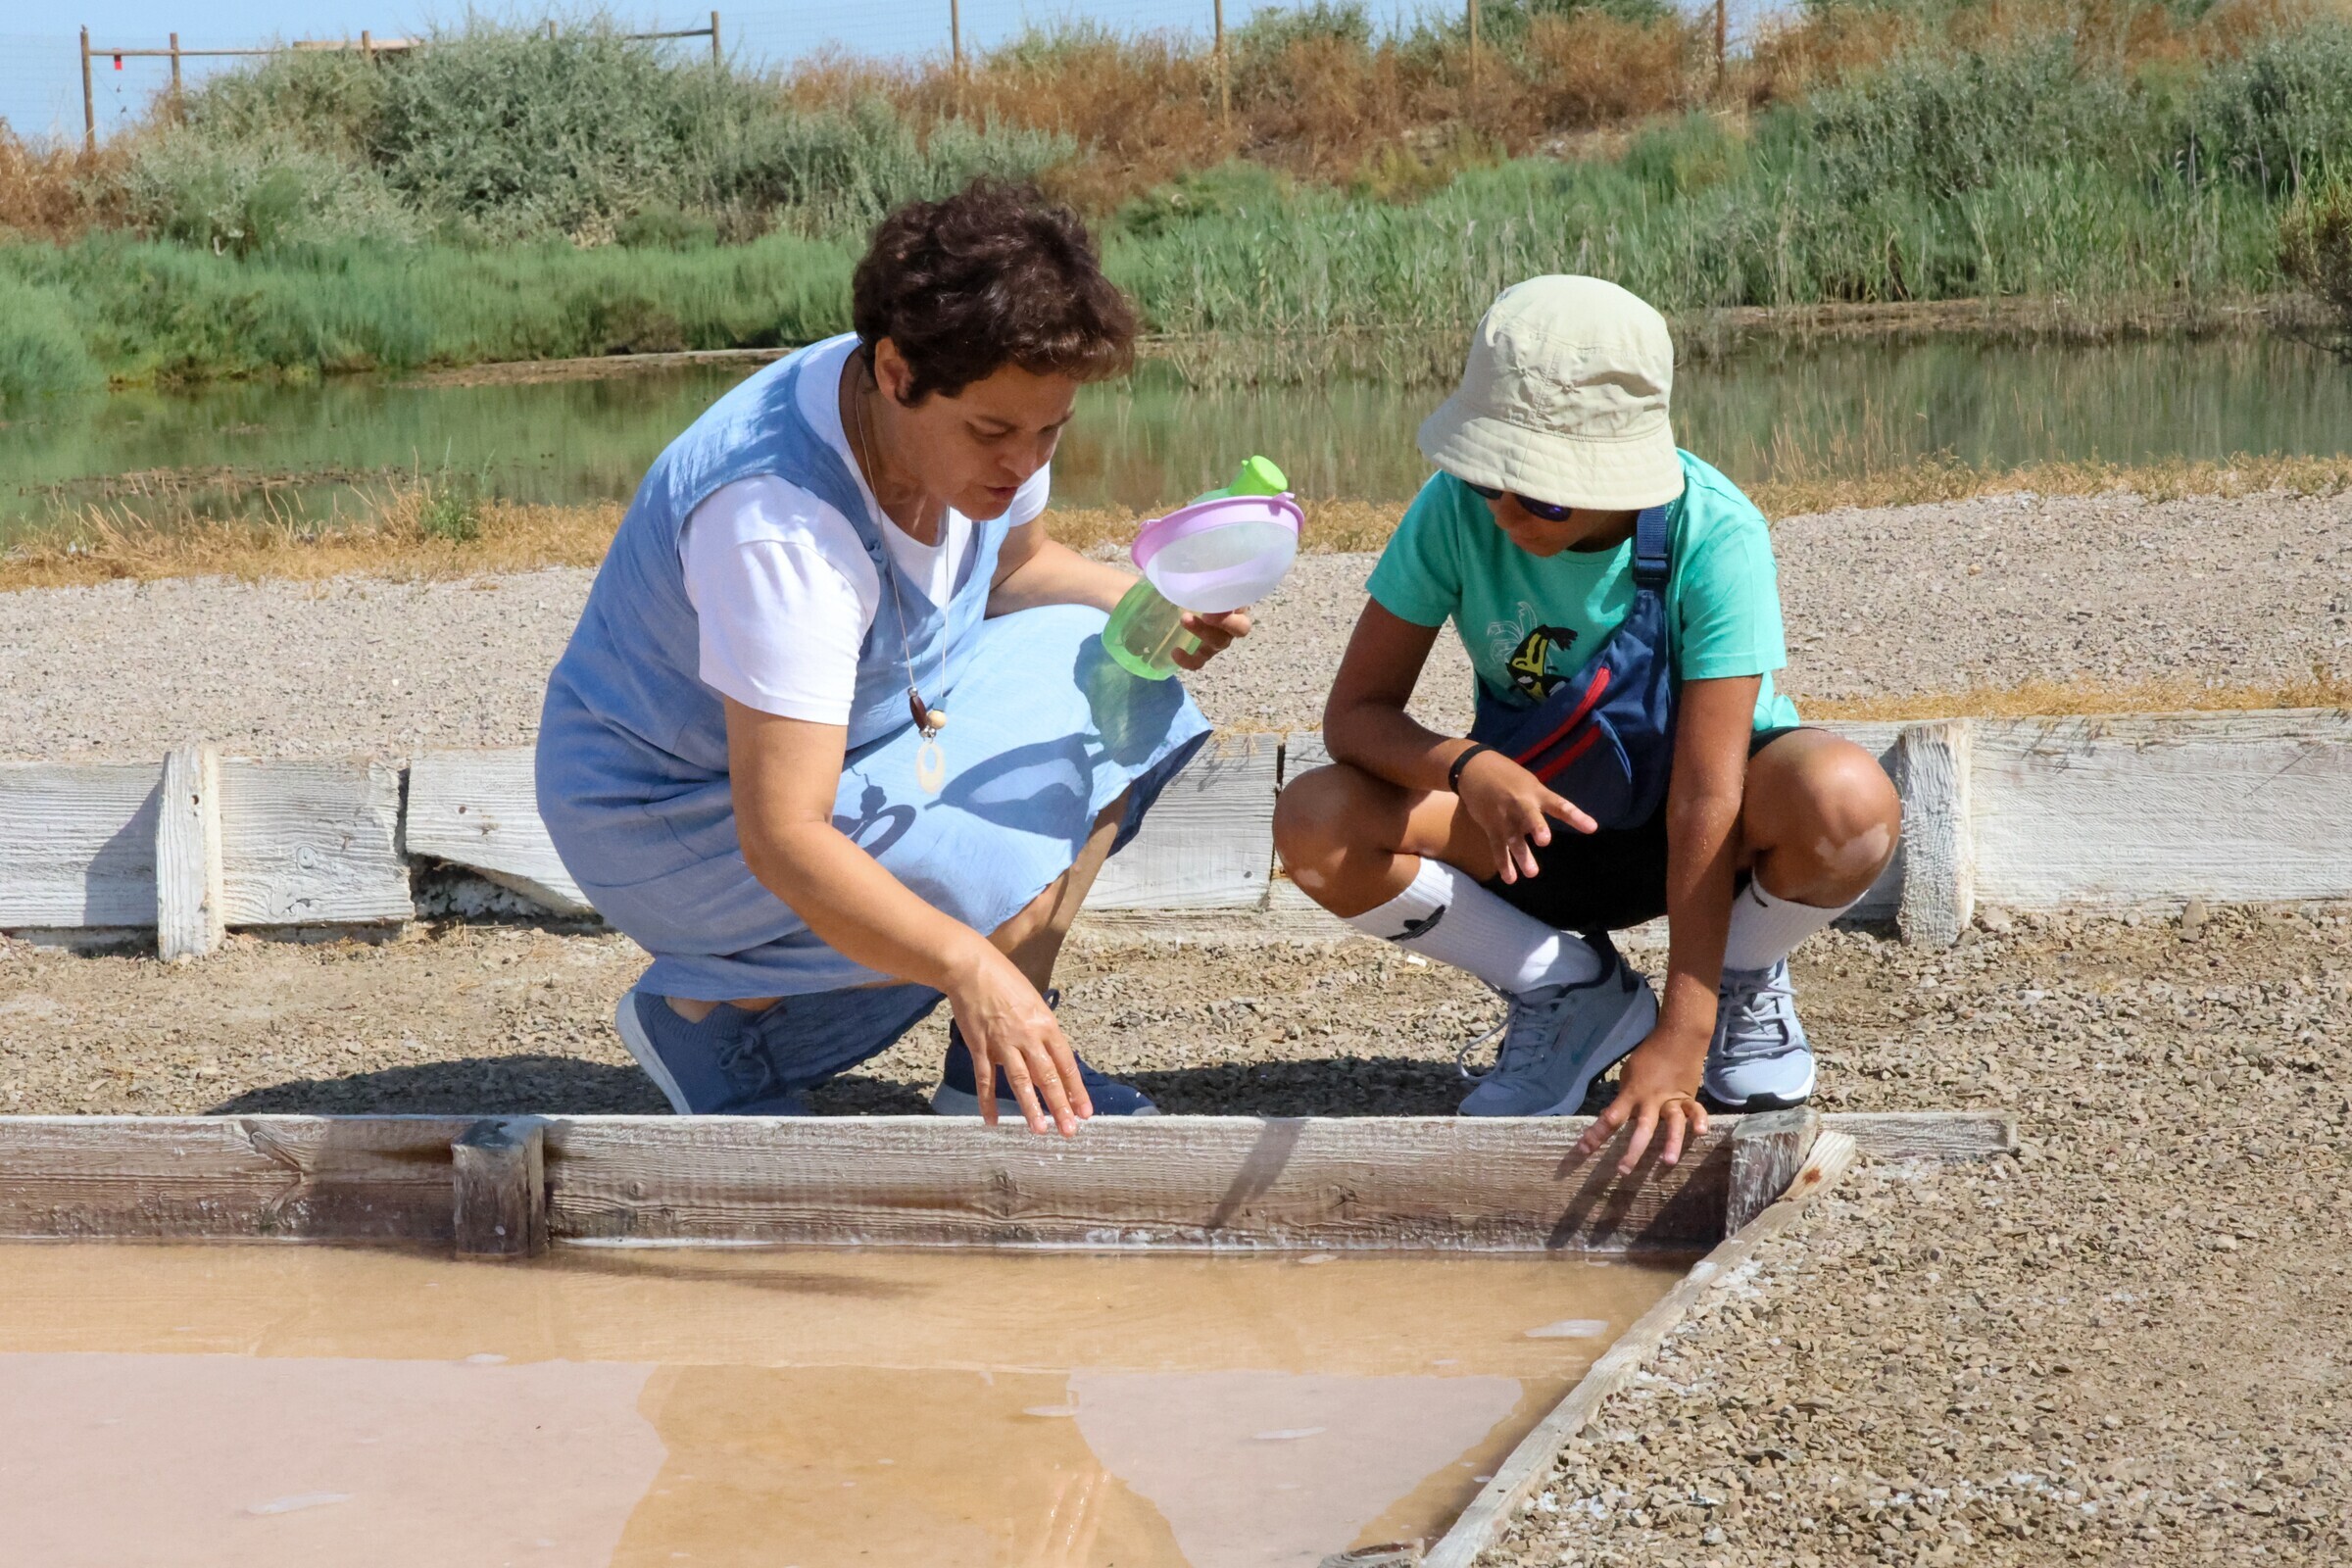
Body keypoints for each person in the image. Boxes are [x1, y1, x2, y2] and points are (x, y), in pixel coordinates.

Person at [536, 180, 1249, 1136]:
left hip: (861, 734)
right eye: (995, 433)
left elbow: (1019, 567)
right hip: (667, 817)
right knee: (992, 850)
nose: (1025, 463)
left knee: (1121, 678)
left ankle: (984, 1068)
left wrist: (1152, 606)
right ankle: (706, 1018)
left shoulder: (991, 401)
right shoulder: (780, 526)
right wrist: (966, 963)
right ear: (895, 372)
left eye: (1051, 432)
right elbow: (783, 834)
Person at [1273, 275, 1900, 1171]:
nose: (1505, 512)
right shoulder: (1453, 511)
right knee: (1316, 821)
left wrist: (1686, 1032)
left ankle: (1734, 977)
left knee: (1847, 801)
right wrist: (1468, 767)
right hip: (1536, 830)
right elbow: (1356, 716)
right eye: (1490, 478)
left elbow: (1708, 792)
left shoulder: (1715, 533)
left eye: (1544, 498)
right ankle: (1569, 992)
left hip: (1711, 835)